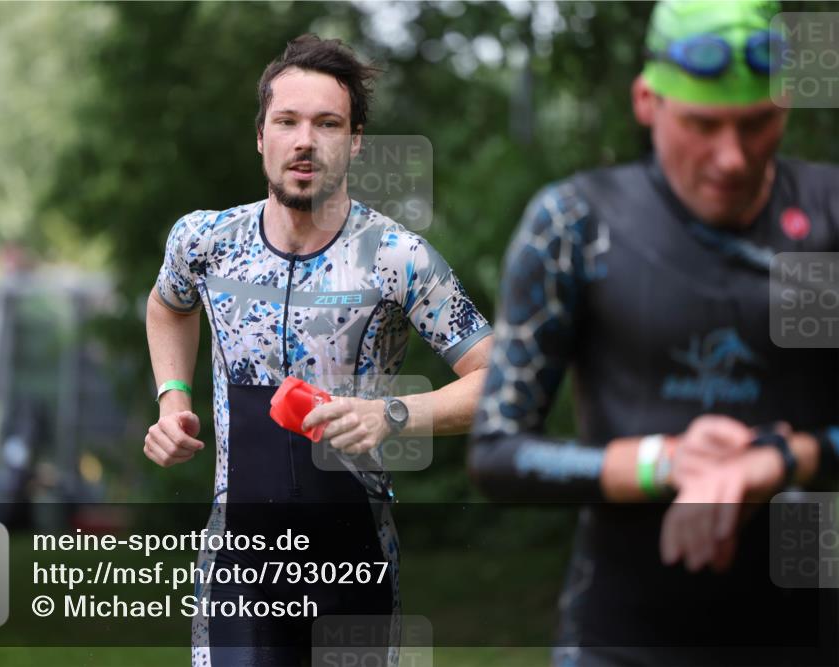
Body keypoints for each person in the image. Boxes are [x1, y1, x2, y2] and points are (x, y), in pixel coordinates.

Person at [469, 1, 838, 665]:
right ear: (647, 100)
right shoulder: (576, 224)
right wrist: (664, 461)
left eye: (755, 124)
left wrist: (784, 460)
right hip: (620, 636)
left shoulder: (828, 216)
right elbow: (497, 454)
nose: (731, 156)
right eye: (702, 123)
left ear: (784, 105)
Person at [145, 34, 492, 667]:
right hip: (238, 569)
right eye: (288, 121)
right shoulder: (204, 241)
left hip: (354, 562)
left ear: (355, 141)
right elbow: (168, 304)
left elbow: (501, 380)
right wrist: (173, 399)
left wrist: (393, 415)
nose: (305, 140)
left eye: (327, 123)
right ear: (261, 136)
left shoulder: (398, 258)